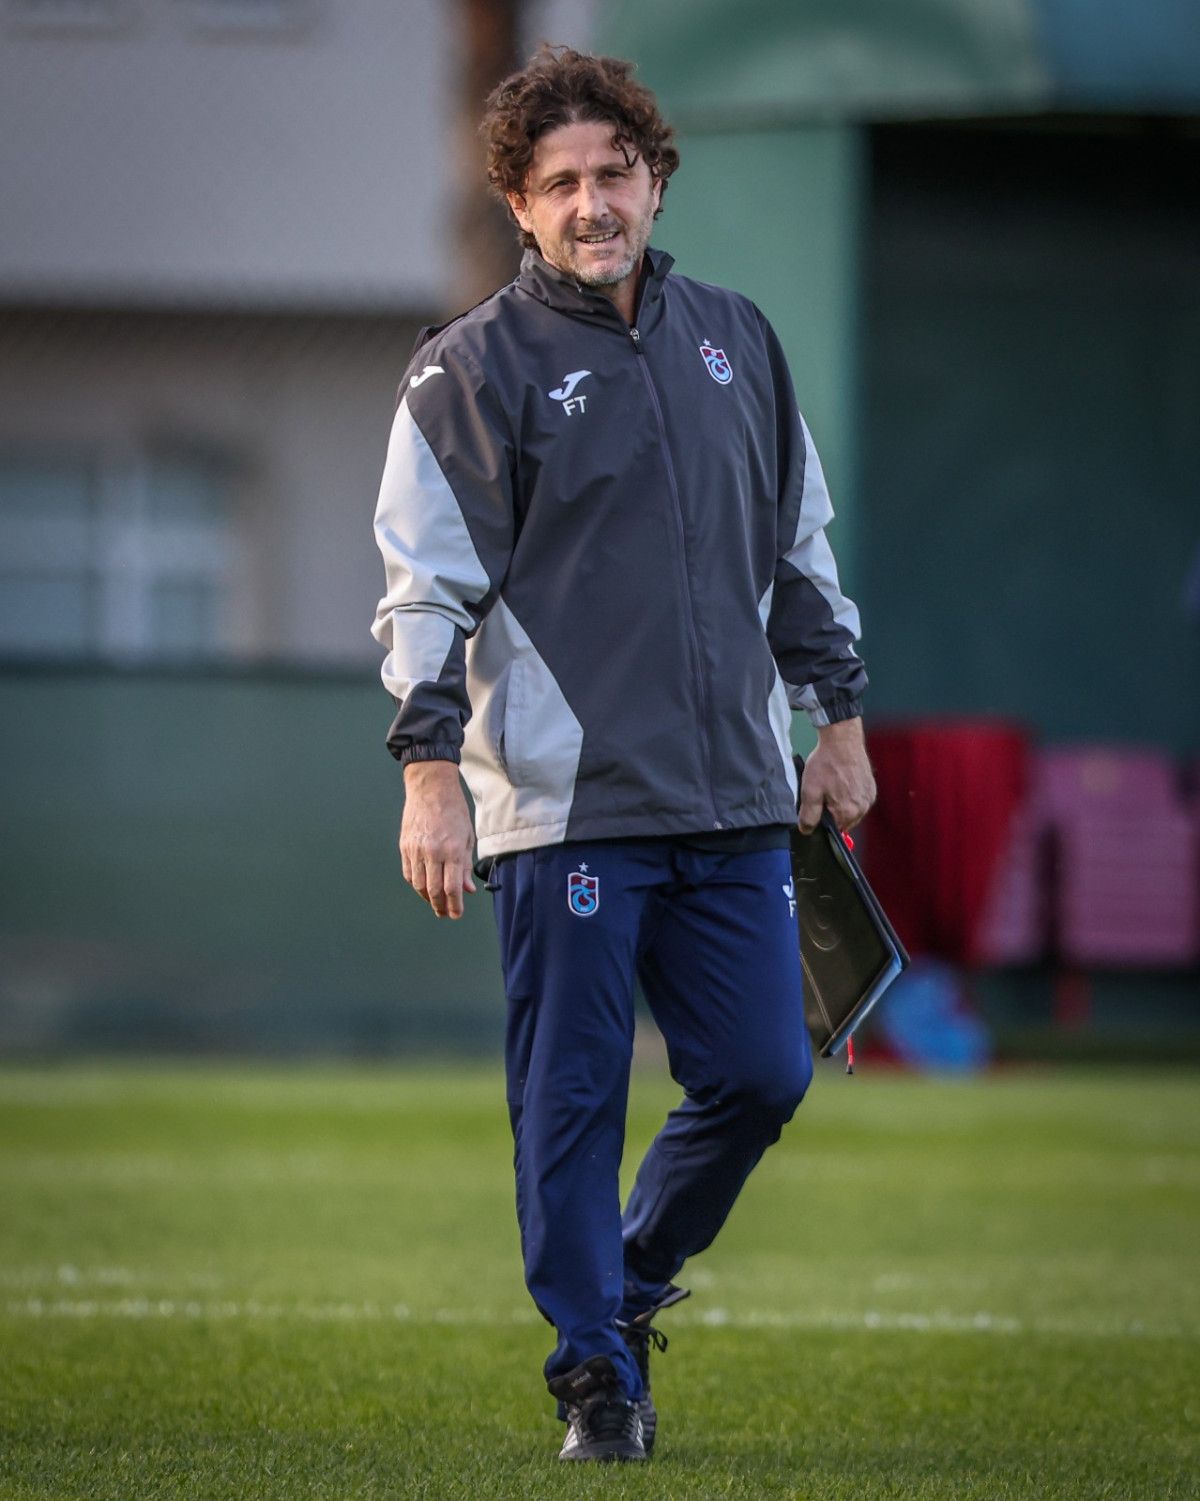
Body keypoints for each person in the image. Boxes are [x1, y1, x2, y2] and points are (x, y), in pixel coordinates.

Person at [370, 45, 875, 1463]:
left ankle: (631, 1281)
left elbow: (799, 545)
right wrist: (428, 772)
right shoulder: (468, 369)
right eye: (560, 183)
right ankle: (594, 1374)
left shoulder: (740, 339)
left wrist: (836, 718)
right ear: (520, 206)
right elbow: (422, 591)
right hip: (566, 808)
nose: (592, 202)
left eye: (615, 172)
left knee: (764, 1074)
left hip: (735, 797)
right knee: (573, 1103)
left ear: (656, 181)